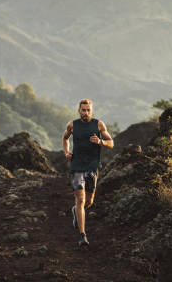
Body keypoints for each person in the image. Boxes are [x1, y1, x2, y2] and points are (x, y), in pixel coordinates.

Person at [62, 98, 113, 247]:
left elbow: (111, 143)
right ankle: (82, 235)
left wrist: (100, 142)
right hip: (77, 166)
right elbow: (65, 138)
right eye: (83, 110)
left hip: (92, 167)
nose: (85, 112)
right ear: (79, 110)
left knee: (89, 201)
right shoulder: (72, 125)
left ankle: (75, 211)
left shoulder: (98, 124)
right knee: (80, 200)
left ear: (92, 110)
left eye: (88, 110)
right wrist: (66, 151)